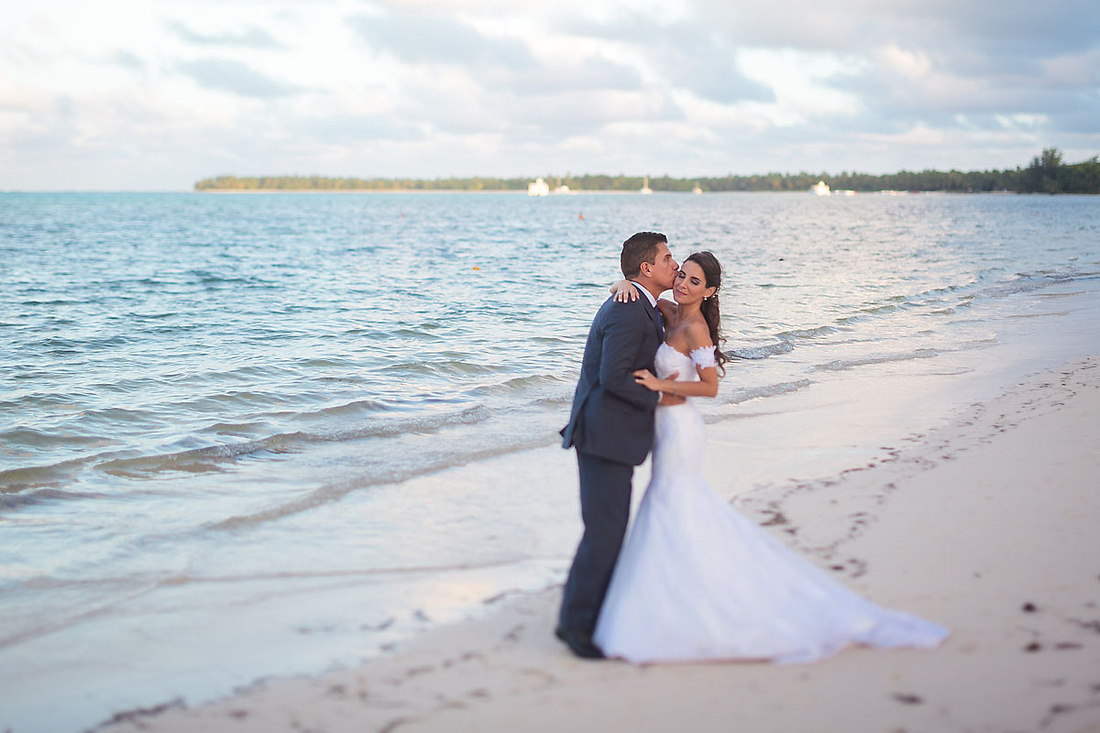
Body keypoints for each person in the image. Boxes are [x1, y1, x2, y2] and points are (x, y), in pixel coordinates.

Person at [591, 251, 949, 663]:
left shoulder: (696, 328)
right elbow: (643, 295)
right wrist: (619, 284)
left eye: (694, 282)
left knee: (676, 505)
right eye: (682, 276)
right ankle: (678, 593)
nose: (683, 284)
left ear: (709, 291)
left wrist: (658, 384)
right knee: (672, 507)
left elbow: (710, 389)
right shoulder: (670, 310)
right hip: (664, 430)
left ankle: (684, 604)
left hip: (680, 430)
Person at [557, 232, 682, 659]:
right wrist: (661, 398)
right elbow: (613, 376)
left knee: (603, 531)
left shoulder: (640, 303)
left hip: (609, 432)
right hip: (604, 434)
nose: (675, 263)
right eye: (667, 257)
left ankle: (573, 617)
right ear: (646, 269)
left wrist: (620, 281)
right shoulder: (628, 310)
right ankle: (578, 628)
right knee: (605, 534)